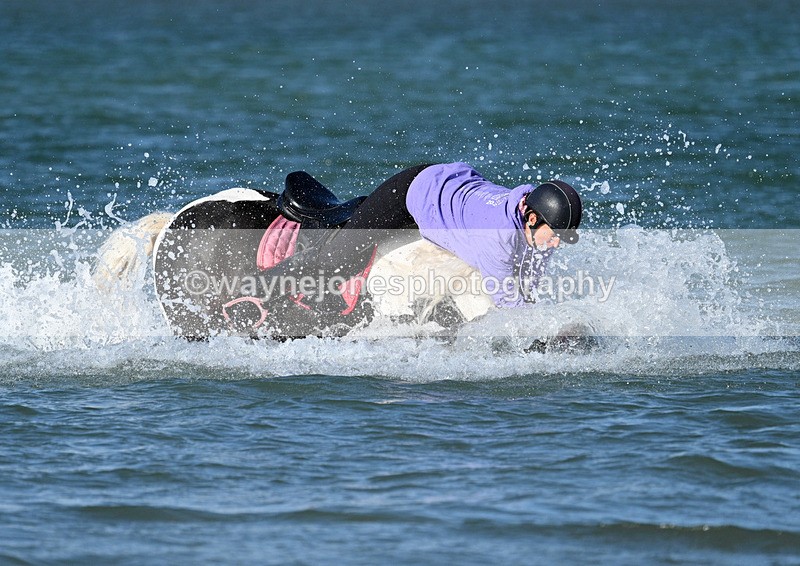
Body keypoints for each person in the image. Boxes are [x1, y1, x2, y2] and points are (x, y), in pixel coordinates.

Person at [262, 162, 582, 309]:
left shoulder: (539, 214)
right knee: (334, 262)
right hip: (411, 193)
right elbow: (509, 305)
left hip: (450, 184)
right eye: (552, 235)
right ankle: (260, 289)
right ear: (529, 216)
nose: (554, 243)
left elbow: (528, 281)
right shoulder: (495, 239)